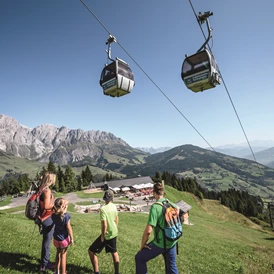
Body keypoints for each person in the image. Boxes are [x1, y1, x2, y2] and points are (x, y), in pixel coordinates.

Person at [135, 182, 179, 274]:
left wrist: (143, 244)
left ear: (154, 193)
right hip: (172, 240)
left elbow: (148, 231)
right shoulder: (168, 202)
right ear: (163, 192)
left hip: (161, 243)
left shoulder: (155, 207)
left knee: (139, 258)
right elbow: (178, 208)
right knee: (172, 268)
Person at [88, 190, 120, 274]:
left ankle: (96, 272)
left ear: (104, 198)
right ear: (112, 198)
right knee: (114, 251)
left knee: (91, 251)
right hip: (114, 232)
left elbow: (104, 225)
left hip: (106, 234)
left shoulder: (103, 209)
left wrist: (102, 236)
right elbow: (116, 219)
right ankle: (117, 272)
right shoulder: (114, 206)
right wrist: (115, 227)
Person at [38, 172, 56, 271]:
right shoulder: (47, 191)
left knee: (45, 241)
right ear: (50, 180)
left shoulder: (41, 188)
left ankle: (44, 262)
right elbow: (46, 206)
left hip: (42, 217)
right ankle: (45, 264)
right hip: (47, 218)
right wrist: (57, 206)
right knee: (47, 242)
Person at [52, 198, 74, 274]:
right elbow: (68, 228)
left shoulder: (53, 215)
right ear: (63, 206)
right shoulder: (66, 216)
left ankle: (56, 271)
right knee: (63, 256)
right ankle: (63, 272)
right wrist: (71, 238)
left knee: (57, 253)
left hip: (56, 239)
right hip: (63, 239)